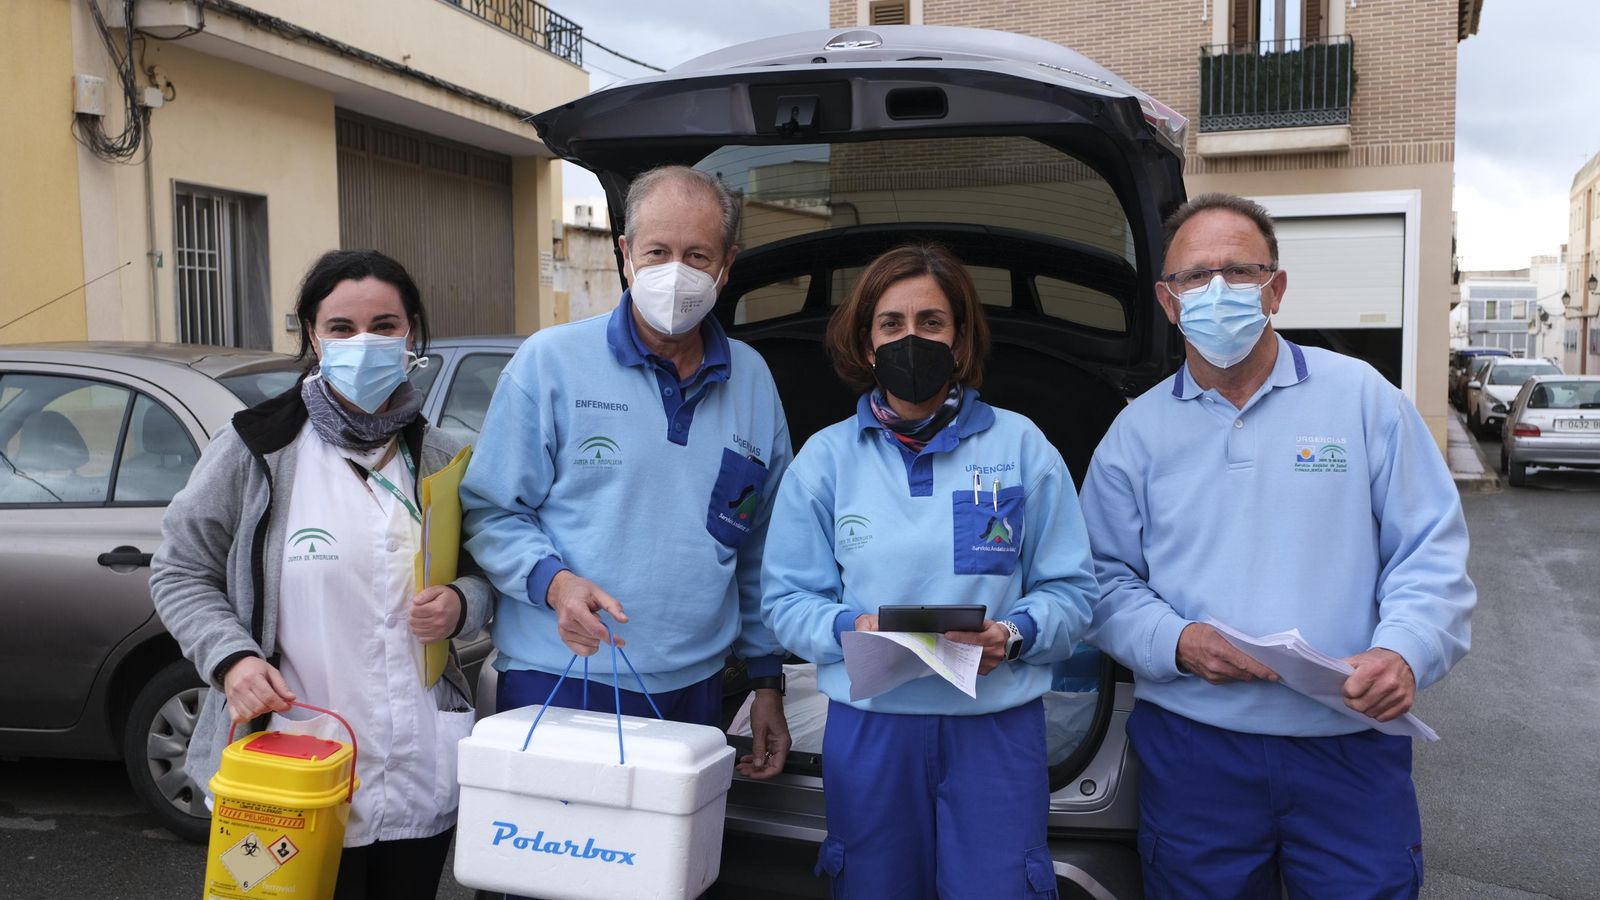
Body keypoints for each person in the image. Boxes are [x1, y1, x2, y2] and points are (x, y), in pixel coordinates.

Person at [1080, 193, 1475, 898]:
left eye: (1240, 271)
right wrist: (1179, 639)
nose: (1217, 292)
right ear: (1168, 303)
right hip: (1197, 752)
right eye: (1195, 278)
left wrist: (1405, 649)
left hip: (1348, 743)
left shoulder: (1363, 399)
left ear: (1277, 288)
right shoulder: (1133, 436)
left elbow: (1430, 553)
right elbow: (1102, 583)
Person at [150, 249, 492, 900]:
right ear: (313, 335)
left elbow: (483, 574)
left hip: (415, 765)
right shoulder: (255, 449)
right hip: (292, 767)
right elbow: (179, 570)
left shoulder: (442, 455)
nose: (365, 343)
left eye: (385, 325)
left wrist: (460, 602)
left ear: (412, 333)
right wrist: (231, 661)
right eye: (342, 327)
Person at [761, 244, 1099, 898]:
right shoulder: (825, 461)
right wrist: (846, 627)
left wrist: (1015, 634)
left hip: (996, 732)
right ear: (865, 343)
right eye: (891, 324)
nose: (910, 339)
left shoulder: (1022, 447)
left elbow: (1074, 593)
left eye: (931, 322)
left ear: (961, 336)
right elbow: (786, 600)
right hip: (872, 728)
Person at [460, 165, 793, 776]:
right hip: (558, 679)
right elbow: (491, 511)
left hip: (695, 690)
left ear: (727, 265)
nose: (677, 272)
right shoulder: (550, 364)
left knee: (670, 869)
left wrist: (767, 680)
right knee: (548, 865)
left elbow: (763, 546)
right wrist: (557, 585)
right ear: (625, 255)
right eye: (658, 251)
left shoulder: (753, 380)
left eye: (697, 255)